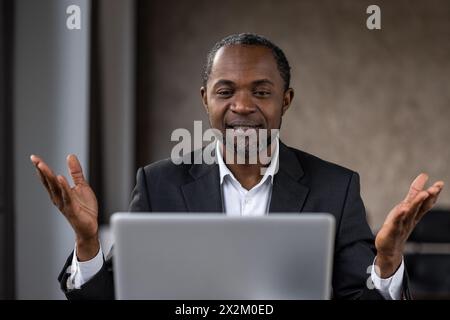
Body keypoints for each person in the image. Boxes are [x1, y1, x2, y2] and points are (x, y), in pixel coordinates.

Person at [30, 33, 444, 300]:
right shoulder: (160, 184)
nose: (242, 106)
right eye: (225, 91)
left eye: (261, 92)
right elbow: (122, 295)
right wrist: (87, 243)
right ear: (205, 99)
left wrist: (386, 263)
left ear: (286, 100)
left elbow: (358, 297)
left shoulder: (336, 187)